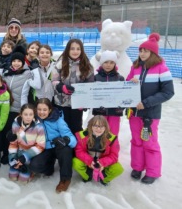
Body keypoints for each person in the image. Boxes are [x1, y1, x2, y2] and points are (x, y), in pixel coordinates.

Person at [126, 33, 174, 184]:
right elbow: (126, 85)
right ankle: (137, 167)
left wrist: (146, 103)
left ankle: (153, 171)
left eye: (145, 51)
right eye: (141, 51)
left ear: (153, 53)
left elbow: (168, 92)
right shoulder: (135, 67)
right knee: (136, 141)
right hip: (134, 113)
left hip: (150, 114)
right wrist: (130, 82)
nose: (142, 53)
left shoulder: (161, 68)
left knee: (149, 142)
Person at [0, 46, 42, 165]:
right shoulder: (7, 73)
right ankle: (6, 153)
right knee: (5, 131)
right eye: (14, 61)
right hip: (5, 107)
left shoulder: (27, 74)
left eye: (19, 61)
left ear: (23, 63)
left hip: (18, 108)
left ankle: (18, 154)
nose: (16, 63)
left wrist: (35, 69)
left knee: (17, 132)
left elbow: (37, 85)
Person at [29, 98, 76, 193]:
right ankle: (49, 168)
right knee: (34, 166)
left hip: (59, 146)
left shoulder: (58, 120)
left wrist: (66, 140)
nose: (41, 112)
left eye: (44, 109)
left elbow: (73, 140)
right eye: (39, 109)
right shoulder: (34, 120)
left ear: (50, 110)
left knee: (66, 150)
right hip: (45, 148)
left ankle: (65, 179)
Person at [51, 39, 94, 134]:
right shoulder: (60, 64)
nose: (75, 51)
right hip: (62, 103)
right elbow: (54, 81)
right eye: (72, 49)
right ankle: (65, 148)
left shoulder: (87, 66)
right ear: (68, 50)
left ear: (81, 51)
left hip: (77, 104)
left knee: (76, 127)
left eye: (78, 49)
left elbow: (90, 85)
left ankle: (77, 148)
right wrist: (61, 87)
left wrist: (84, 102)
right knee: (63, 127)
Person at [72, 115, 124, 186]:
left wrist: (102, 163)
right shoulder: (83, 136)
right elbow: (79, 151)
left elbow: (114, 156)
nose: (98, 129)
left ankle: (104, 179)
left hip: (103, 165)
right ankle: (87, 176)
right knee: (75, 162)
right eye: (95, 126)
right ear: (91, 126)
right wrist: (89, 161)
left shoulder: (112, 139)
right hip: (88, 163)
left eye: (101, 126)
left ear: (105, 127)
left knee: (118, 168)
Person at [8, 104, 45, 183]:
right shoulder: (16, 124)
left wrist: (25, 157)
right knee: (12, 176)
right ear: (21, 114)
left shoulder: (39, 127)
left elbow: (40, 146)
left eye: (30, 114)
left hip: (31, 153)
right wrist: (12, 157)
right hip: (19, 150)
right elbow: (13, 143)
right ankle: (17, 165)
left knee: (23, 180)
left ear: (34, 115)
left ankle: (30, 170)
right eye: (25, 114)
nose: (28, 117)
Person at [92, 50, 125, 135]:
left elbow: (124, 95)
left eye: (111, 62)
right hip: (99, 112)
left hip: (115, 112)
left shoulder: (120, 78)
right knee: (99, 133)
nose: (108, 65)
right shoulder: (95, 78)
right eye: (106, 62)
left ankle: (113, 148)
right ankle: (101, 148)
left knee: (113, 133)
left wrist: (122, 107)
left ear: (115, 64)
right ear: (101, 63)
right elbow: (90, 95)